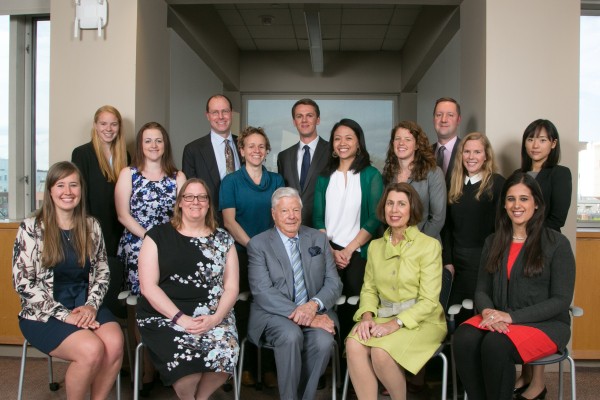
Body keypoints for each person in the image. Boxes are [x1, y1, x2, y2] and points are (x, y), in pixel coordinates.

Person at [453, 172, 576, 400]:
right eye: (510, 199)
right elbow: (481, 289)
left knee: (495, 345)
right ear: (504, 205)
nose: (516, 205)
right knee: (463, 338)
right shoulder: (494, 241)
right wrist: (489, 312)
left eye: (524, 199)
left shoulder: (557, 244)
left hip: (545, 325)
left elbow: (561, 300)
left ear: (536, 203)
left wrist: (510, 318)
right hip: (498, 317)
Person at [13, 161, 123, 399]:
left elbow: (103, 271)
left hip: (85, 304)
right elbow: (23, 283)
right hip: (43, 313)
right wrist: (66, 315)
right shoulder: (31, 228)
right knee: (91, 349)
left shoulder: (91, 226)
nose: (68, 191)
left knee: (114, 344)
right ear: (50, 190)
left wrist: (92, 306)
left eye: (74, 185)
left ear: (81, 190)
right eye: (60, 185)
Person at [136, 178, 239, 400]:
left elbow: (231, 287)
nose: (196, 202)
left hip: (214, 315)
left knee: (225, 356)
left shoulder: (223, 239)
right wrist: (181, 319)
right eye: (189, 196)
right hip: (165, 315)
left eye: (202, 197)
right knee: (188, 372)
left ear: (209, 203)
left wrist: (215, 318)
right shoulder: (157, 236)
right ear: (180, 202)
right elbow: (148, 287)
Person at [345, 182, 447, 399]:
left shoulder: (429, 246)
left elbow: (429, 301)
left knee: (381, 353)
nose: (394, 210)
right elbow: (369, 289)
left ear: (412, 209)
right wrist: (366, 316)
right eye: (390, 203)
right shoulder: (375, 247)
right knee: (353, 343)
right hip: (384, 316)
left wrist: (396, 323)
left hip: (423, 321)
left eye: (401, 204)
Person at [247, 187, 343, 400]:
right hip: (274, 315)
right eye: (284, 211)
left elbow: (334, 282)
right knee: (291, 335)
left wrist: (313, 306)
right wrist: (303, 314)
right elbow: (262, 292)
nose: (291, 216)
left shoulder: (317, 239)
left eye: (296, 210)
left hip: (315, 311)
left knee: (324, 341)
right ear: (274, 214)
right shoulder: (258, 244)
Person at [219, 125, 284, 387]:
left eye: (261, 146)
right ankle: (244, 366)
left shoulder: (277, 181)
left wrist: (267, 250)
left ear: (267, 151)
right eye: (250, 146)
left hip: (273, 255)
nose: (256, 150)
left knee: (272, 308)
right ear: (242, 151)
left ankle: (268, 366)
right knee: (243, 309)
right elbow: (229, 222)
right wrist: (255, 246)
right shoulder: (230, 181)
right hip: (242, 254)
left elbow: (283, 217)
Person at [513, 119, 573, 398]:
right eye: (530, 139)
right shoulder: (518, 174)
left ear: (553, 143)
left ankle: (537, 383)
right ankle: (524, 375)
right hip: (517, 247)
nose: (535, 145)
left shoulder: (559, 173)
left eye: (542, 139)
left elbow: (557, 218)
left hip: (545, 250)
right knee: (520, 305)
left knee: (539, 307)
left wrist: (531, 242)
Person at [72, 105, 130, 318]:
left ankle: (113, 329)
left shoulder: (125, 155)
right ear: (95, 126)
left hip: (119, 230)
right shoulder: (82, 153)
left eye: (113, 124)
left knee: (114, 285)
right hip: (92, 229)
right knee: (94, 284)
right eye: (103, 123)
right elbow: (80, 197)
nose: (108, 128)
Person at [115, 122, 186, 296]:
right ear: (141, 145)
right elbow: (123, 215)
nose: (153, 146)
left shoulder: (178, 177)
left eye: (158, 141)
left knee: (170, 294)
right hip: (137, 242)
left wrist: (166, 241)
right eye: (148, 141)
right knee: (140, 298)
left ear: (165, 145)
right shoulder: (128, 174)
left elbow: (184, 214)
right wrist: (149, 237)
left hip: (169, 243)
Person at [443, 132, 505, 323]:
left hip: (483, 260)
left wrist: (494, 259)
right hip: (457, 262)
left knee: (478, 313)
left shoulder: (497, 183)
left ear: (486, 155)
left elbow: (502, 227)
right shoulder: (453, 182)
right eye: (467, 152)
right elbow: (447, 227)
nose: (471, 157)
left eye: (477, 152)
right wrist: (448, 261)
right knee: (452, 313)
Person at [182, 94, 241, 226]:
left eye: (225, 111)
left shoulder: (244, 145)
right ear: (207, 116)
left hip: (244, 222)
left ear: (231, 114)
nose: (221, 117)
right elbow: (190, 194)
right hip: (210, 223)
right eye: (215, 112)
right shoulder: (193, 150)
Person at [382, 120, 446, 241]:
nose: (401, 143)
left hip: (425, 246)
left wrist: (414, 244)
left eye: (407, 139)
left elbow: (438, 218)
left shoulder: (433, 173)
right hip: (394, 245)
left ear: (417, 145)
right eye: (397, 138)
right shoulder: (388, 175)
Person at [277, 98, 329, 227]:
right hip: (292, 226)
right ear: (294, 122)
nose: (304, 120)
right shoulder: (283, 156)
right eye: (299, 116)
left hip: (325, 227)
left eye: (309, 116)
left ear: (318, 120)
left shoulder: (333, 153)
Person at [432, 97, 462, 186]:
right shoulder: (424, 153)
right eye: (439, 115)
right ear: (433, 119)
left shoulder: (466, 151)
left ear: (458, 120)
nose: (443, 120)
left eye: (450, 115)